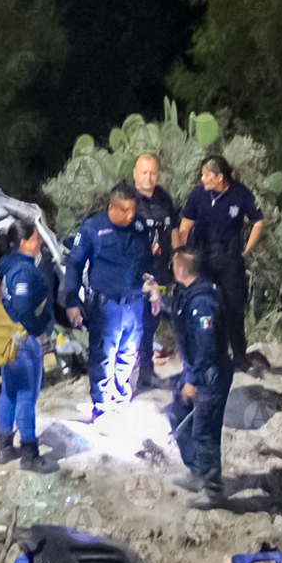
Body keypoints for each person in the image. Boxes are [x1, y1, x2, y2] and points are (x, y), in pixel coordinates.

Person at [65, 183, 157, 422]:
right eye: (125, 210)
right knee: (103, 357)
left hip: (135, 304)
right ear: (111, 208)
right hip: (106, 306)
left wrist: (154, 289)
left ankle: (120, 396)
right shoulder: (93, 229)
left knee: (129, 354)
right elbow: (74, 265)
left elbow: (147, 262)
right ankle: (102, 406)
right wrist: (72, 301)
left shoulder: (139, 227)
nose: (130, 215)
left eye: (133, 209)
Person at [177, 155, 264, 372]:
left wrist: (246, 250)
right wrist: (181, 254)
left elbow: (258, 221)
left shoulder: (240, 194)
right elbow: (185, 226)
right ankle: (209, 357)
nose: (202, 178)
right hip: (203, 259)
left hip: (230, 260)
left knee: (234, 308)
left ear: (219, 177)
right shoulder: (198, 195)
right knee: (206, 308)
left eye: (206, 174)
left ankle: (240, 357)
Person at [165, 247, 233, 509]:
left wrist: (192, 380)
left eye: (174, 264)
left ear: (182, 269)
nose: (171, 268)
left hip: (209, 374)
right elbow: (180, 315)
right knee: (177, 414)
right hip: (195, 369)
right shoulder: (188, 293)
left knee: (205, 432)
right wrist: (158, 300)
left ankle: (214, 491)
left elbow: (206, 346)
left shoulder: (203, 301)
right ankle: (197, 471)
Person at [0, 218, 58, 474]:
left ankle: (4, 447)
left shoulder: (8, 265)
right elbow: (22, 308)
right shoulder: (22, 270)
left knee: (9, 391)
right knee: (26, 395)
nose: (40, 242)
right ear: (23, 243)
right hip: (24, 341)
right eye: (36, 239)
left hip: (9, 337)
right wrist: (38, 330)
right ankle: (30, 453)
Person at [131, 155, 179, 390]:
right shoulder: (128, 199)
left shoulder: (163, 198)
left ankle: (146, 374)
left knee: (150, 324)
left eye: (152, 173)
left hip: (159, 272)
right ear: (135, 174)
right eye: (144, 172)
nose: (148, 177)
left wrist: (178, 257)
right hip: (136, 274)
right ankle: (129, 376)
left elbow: (174, 229)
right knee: (135, 325)